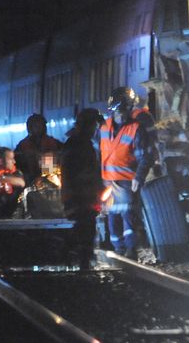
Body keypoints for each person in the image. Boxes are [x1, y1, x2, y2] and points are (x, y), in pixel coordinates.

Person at [98, 87, 157, 259]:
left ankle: (130, 250)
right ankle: (119, 249)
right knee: (112, 215)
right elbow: (96, 151)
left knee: (127, 214)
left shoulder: (135, 128)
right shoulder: (103, 128)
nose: (125, 114)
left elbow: (145, 156)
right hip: (108, 182)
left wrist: (138, 177)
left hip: (126, 181)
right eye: (123, 110)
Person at [61, 109, 105, 269]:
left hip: (83, 194)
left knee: (85, 226)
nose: (96, 128)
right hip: (80, 195)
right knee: (86, 228)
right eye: (94, 125)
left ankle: (79, 258)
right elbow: (78, 172)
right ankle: (79, 258)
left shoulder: (79, 142)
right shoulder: (78, 144)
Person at [14, 113, 63, 185]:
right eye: (36, 125)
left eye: (41, 125)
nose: (39, 128)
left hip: (49, 181)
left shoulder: (51, 142)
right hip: (29, 181)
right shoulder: (23, 145)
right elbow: (16, 163)